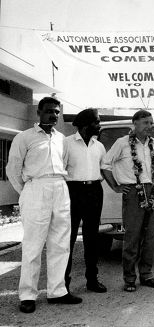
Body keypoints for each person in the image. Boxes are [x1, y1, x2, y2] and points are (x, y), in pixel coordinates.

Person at [6, 97, 82, 314]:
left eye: (57, 112)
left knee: (61, 243)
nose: (54, 115)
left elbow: (66, 163)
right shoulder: (24, 137)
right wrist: (28, 192)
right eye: (49, 111)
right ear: (38, 113)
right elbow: (13, 169)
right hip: (35, 187)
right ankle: (28, 295)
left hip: (60, 186)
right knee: (33, 245)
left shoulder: (62, 140)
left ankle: (57, 291)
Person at [101, 110, 154, 292]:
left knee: (150, 235)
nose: (149, 127)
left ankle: (147, 275)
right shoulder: (122, 143)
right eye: (145, 123)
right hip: (133, 192)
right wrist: (115, 186)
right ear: (134, 123)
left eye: (151, 123)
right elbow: (105, 164)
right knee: (132, 236)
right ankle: (129, 278)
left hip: (151, 190)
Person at [63, 109, 107, 293]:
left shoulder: (99, 146)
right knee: (68, 238)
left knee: (92, 238)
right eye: (96, 122)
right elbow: (60, 169)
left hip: (94, 191)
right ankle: (63, 284)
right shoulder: (66, 143)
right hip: (73, 191)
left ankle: (92, 280)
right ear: (84, 125)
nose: (99, 125)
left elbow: (104, 169)